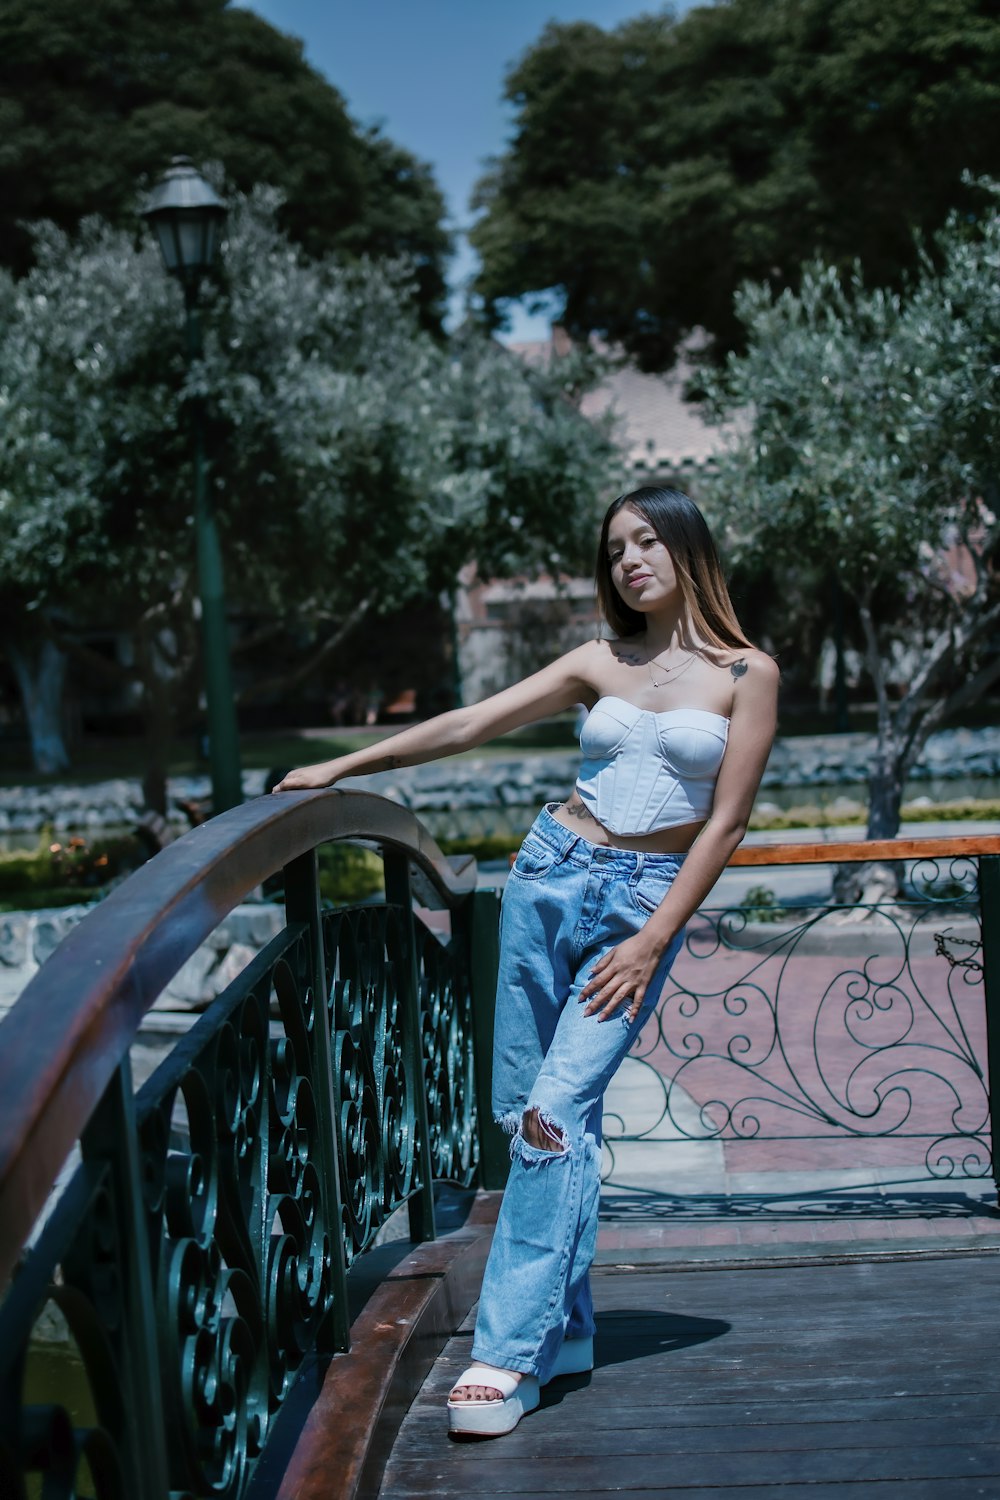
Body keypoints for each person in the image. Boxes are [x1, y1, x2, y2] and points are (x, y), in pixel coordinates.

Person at [273, 486, 779, 1438]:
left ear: (686, 549)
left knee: (554, 1115)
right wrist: (342, 768)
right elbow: (469, 723)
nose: (630, 559)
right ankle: (571, 1327)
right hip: (549, 877)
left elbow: (728, 822)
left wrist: (654, 935)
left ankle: (505, 1358)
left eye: (646, 542)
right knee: (528, 1115)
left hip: (638, 907)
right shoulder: (599, 659)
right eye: (616, 548)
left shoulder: (748, 671)